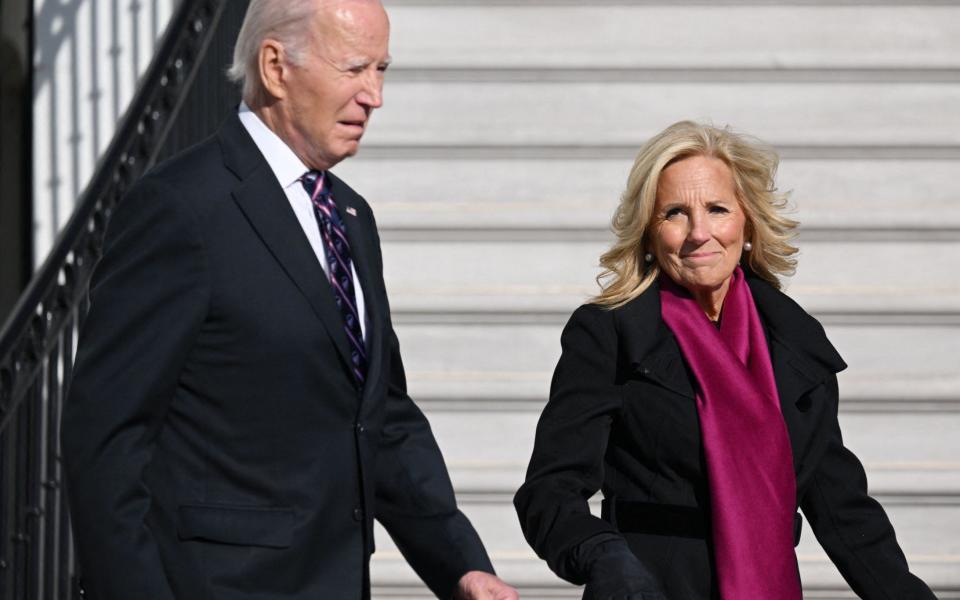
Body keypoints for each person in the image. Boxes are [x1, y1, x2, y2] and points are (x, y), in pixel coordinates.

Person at [60, 1, 519, 599]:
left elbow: (380, 417)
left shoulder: (351, 217)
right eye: (355, 68)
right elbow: (106, 439)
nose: (374, 95)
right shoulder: (180, 209)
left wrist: (461, 564)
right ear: (276, 67)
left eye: (382, 70)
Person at [513, 121, 936, 600]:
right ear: (649, 233)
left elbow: (844, 511)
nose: (699, 233)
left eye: (717, 209)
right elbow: (549, 493)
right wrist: (607, 559)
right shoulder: (609, 333)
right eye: (674, 213)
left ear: (747, 222)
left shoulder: (796, 345)